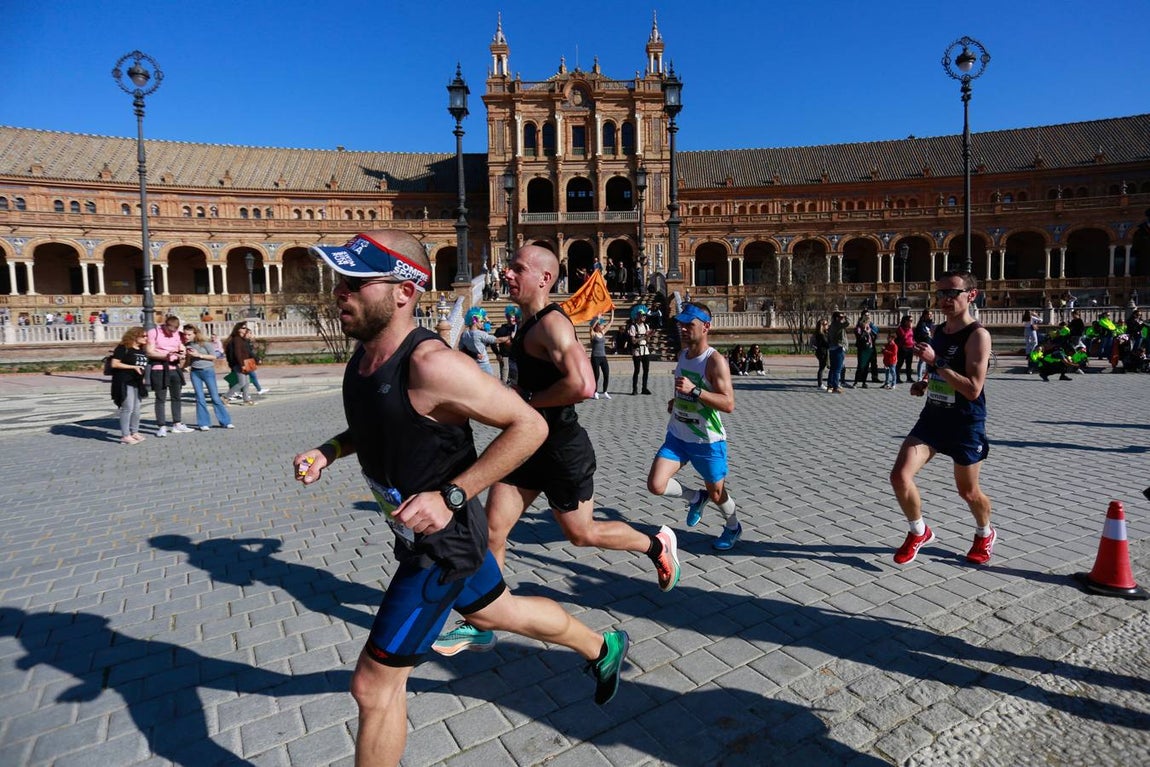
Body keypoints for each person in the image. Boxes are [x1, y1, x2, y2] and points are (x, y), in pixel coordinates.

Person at [293, 230, 630, 767]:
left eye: (357, 281)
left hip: (440, 548)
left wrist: (452, 495)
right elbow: (379, 425)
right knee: (499, 612)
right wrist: (330, 449)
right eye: (341, 280)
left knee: (373, 687)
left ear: (404, 291)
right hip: (432, 536)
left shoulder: (432, 364)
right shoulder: (364, 358)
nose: (342, 292)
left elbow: (528, 427)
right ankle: (600, 647)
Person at [434, 244, 680, 655]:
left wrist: (525, 402)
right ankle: (483, 618)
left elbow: (583, 385)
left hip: (562, 449)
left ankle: (656, 545)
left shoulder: (552, 324)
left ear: (544, 278)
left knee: (581, 534)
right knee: (493, 531)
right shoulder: (527, 322)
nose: (507, 274)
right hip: (523, 446)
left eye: (517, 269)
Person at [889, 271, 995, 566]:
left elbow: (973, 389)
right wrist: (925, 381)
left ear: (971, 295)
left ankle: (984, 533)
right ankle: (918, 531)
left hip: (965, 422)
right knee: (899, 476)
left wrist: (936, 362)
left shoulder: (978, 335)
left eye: (952, 293)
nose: (945, 300)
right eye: (941, 294)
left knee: (969, 492)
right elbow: (938, 369)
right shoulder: (939, 330)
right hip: (933, 419)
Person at [646, 302, 741, 549]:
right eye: (682, 324)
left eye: (690, 324)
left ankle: (733, 527)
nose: (684, 329)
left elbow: (728, 403)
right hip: (678, 434)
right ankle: (697, 498)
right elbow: (684, 390)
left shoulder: (715, 361)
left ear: (706, 327)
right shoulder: (682, 355)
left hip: (706, 440)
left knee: (718, 493)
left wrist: (695, 391)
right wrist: (675, 401)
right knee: (656, 484)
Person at [146, 314, 192, 437]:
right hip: (159, 368)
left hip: (174, 368)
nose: (172, 333)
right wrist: (167, 355)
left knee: (176, 397)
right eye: (170, 330)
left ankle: (177, 423)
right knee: (160, 398)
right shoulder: (154, 332)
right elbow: (149, 352)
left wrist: (182, 353)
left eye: (175, 330)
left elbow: (181, 347)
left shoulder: (177, 333)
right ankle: (161, 426)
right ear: (165, 325)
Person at [183, 324, 234, 431]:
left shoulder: (205, 344)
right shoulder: (187, 345)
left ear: (195, 334)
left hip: (208, 371)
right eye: (185, 334)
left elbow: (214, 356)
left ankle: (226, 421)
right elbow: (188, 358)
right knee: (199, 397)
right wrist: (186, 366)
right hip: (195, 373)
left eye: (189, 334)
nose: (186, 336)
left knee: (215, 397)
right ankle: (203, 423)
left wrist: (199, 355)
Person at [109, 326, 149, 445]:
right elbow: (115, 364)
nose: (146, 338)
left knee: (136, 409)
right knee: (128, 408)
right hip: (124, 381)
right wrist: (133, 367)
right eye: (143, 336)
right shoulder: (123, 348)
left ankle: (134, 432)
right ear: (134, 336)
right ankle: (125, 435)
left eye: (146, 336)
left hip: (137, 382)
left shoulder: (141, 350)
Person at [224, 322, 257, 405]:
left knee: (246, 382)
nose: (245, 329)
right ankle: (225, 397)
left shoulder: (242, 339)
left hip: (246, 363)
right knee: (241, 382)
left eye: (245, 328)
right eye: (243, 328)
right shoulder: (237, 339)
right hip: (240, 364)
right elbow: (237, 353)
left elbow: (248, 351)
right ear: (238, 329)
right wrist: (241, 364)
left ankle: (246, 399)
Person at [492, 305, 521, 383]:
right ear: (507, 317)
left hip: (516, 358)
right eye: (511, 317)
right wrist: (497, 353)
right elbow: (492, 342)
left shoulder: (519, 328)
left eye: (515, 317)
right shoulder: (501, 329)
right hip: (505, 357)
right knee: (504, 380)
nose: (513, 319)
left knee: (516, 380)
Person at [628, 308, 653, 395]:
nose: (644, 317)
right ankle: (634, 389)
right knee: (637, 370)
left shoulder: (646, 326)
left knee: (646, 370)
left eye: (645, 316)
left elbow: (648, 340)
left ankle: (644, 388)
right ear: (638, 316)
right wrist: (644, 337)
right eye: (642, 315)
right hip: (637, 351)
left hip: (645, 350)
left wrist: (649, 336)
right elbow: (633, 341)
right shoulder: (633, 327)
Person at [589, 314, 613, 399]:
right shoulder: (593, 334)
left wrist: (612, 311)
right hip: (595, 357)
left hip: (603, 357)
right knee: (596, 375)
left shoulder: (602, 333)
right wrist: (597, 319)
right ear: (597, 326)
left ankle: (605, 391)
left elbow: (610, 323)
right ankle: (595, 392)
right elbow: (591, 327)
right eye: (600, 325)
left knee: (606, 374)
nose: (602, 326)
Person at [852, 312, 878, 388]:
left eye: (867, 323)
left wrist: (870, 332)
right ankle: (856, 382)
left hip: (869, 349)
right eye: (865, 322)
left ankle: (864, 382)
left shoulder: (870, 328)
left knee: (866, 366)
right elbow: (859, 337)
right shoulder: (859, 329)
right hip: (862, 349)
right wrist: (865, 332)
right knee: (860, 366)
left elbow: (874, 336)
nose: (866, 324)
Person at [827, 311, 848, 393]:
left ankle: (830, 385)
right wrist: (845, 316)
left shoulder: (832, 325)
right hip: (838, 348)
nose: (842, 318)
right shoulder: (838, 324)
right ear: (837, 318)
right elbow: (848, 323)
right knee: (837, 369)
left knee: (832, 368)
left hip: (832, 348)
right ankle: (836, 386)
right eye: (840, 317)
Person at [913, 308, 934, 379]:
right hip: (923, 344)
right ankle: (919, 377)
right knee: (922, 361)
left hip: (930, 344)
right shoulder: (921, 323)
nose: (931, 316)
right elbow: (920, 334)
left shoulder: (930, 323)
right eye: (929, 314)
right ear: (925, 315)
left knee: (929, 361)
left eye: (931, 314)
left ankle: (927, 376)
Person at [895, 314, 915, 383]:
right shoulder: (900, 328)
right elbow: (904, 337)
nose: (911, 322)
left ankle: (909, 378)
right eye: (910, 321)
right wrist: (909, 329)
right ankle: (897, 377)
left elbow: (911, 337)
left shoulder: (910, 329)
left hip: (910, 348)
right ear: (905, 321)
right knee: (900, 363)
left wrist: (914, 343)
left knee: (909, 364)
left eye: (912, 321)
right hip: (903, 348)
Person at [811, 318, 830, 389]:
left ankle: (821, 383)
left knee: (822, 367)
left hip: (822, 352)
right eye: (825, 324)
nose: (827, 325)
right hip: (822, 352)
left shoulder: (824, 333)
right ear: (822, 326)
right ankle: (820, 384)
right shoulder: (821, 334)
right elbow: (826, 343)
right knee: (822, 367)